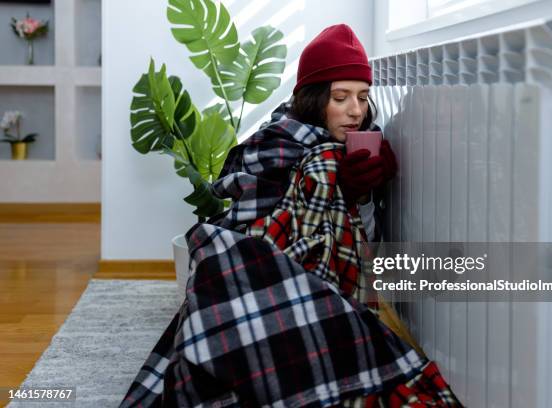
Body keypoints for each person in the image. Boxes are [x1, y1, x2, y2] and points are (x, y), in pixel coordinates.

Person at [121, 24, 462, 407]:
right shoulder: (278, 141)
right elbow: (256, 221)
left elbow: (361, 246)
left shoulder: (363, 148)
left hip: (330, 279)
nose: (355, 110)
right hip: (269, 259)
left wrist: (361, 194)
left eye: (364, 97)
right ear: (315, 98)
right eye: (341, 97)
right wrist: (328, 185)